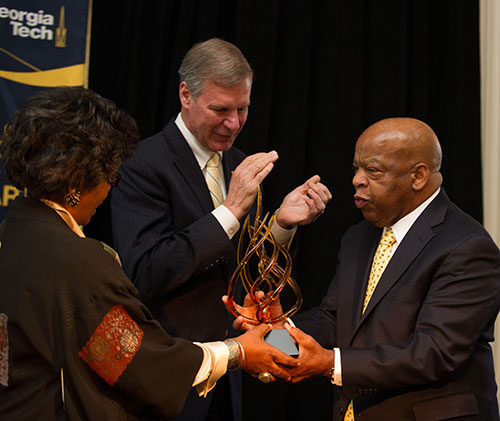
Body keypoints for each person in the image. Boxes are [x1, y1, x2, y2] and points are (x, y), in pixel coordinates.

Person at [0, 87, 300, 420]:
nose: (110, 187)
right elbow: (137, 363)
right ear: (77, 182)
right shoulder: (77, 259)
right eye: (110, 176)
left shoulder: (14, 232)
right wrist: (237, 351)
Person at [110, 38, 331, 420]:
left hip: (232, 377)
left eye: (242, 109)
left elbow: (244, 274)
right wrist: (229, 212)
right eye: (220, 109)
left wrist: (281, 225)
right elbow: (145, 271)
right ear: (185, 95)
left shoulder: (239, 163)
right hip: (169, 378)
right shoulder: (142, 163)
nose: (233, 124)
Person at [231, 117, 500, 420]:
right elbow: (335, 319)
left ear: (419, 176)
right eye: (356, 169)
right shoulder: (359, 236)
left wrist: (330, 363)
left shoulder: (467, 246)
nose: (357, 180)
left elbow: (434, 352)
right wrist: (276, 331)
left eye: (372, 170)